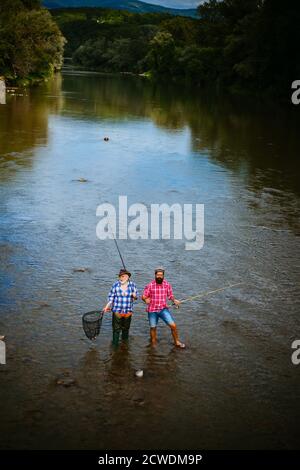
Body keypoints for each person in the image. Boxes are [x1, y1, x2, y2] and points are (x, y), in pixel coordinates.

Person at [142, 268, 185, 348]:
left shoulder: (167, 285)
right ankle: (153, 342)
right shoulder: (150, 285)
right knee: (153, 327)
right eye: (158, 275)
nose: (159, 276)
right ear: (155, 275)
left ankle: (177, 342)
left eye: (161, 275)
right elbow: (143, 296)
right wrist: (145, 299)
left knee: (173, 326)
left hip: (163, 310)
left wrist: (174, 300)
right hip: (152, 310)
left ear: (163, 276)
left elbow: (170, 296)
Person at [103, 269, 138, 346]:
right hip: (117, 312)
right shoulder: (115, 285)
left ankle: (124, 346)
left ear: (128, 277)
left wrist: (134, 296)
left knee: (126, 330)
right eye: (120, 276)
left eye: (123, 276)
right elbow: (111, 298)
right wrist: (106, 307)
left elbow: (135, 298)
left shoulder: (133, 285)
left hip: (128, 312)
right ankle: (115, 347)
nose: (121, 278)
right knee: (116, 330)